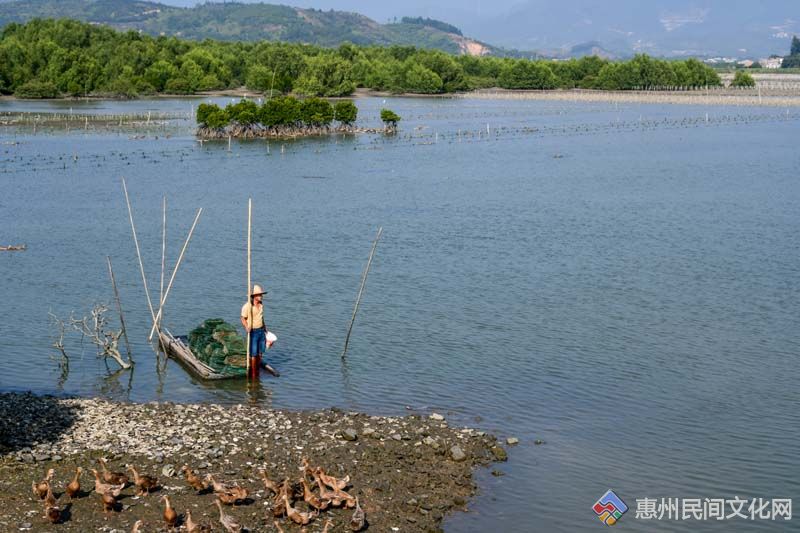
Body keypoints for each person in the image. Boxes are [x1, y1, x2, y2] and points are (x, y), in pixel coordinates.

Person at [241, 284, 278, 377]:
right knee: (253, 354)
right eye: (259, 295)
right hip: (253, 332)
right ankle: (253, 374)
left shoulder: (261, 305)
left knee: (260, 352)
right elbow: (242, 318)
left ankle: (257, 369)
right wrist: (246, 326)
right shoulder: (248, 306)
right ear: (254, 296)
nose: (261, 297)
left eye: (261, 295)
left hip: (261, 331)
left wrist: (265, 328)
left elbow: (261, 318)